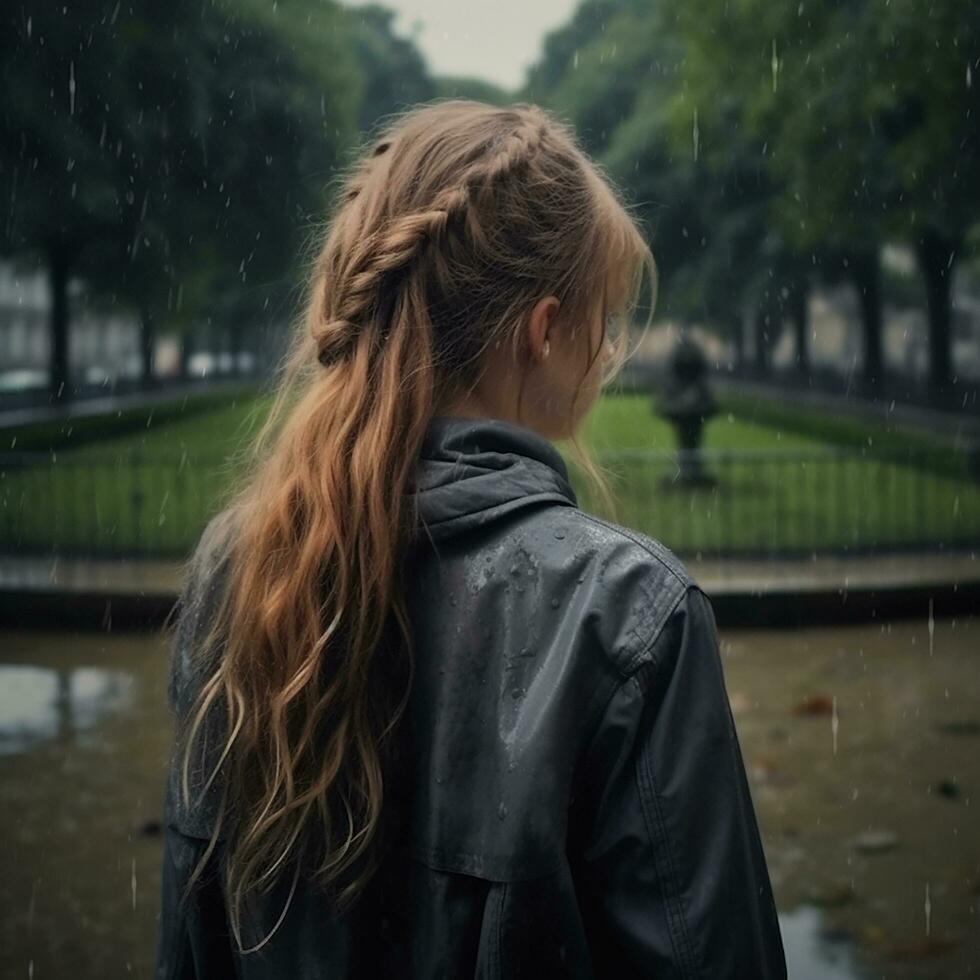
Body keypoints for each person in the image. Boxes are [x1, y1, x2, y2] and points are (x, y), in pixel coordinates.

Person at [154, 99, 787, 979]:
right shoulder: (630, 615)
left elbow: (192, 943)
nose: (605, 352)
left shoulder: (235, 568)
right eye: (601, 320)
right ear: (542, 333)